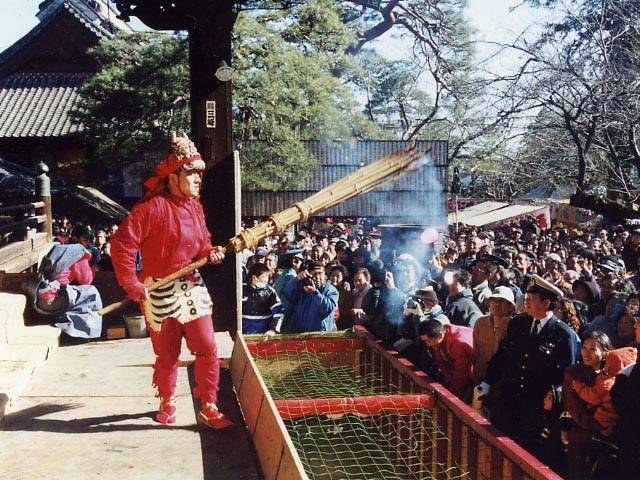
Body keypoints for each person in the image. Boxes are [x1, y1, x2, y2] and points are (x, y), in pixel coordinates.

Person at [110, 133, 232, 429]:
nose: (197, 179)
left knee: (207, 347)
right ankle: (167, 401)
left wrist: (210, 253)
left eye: (198, 174)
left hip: (190, 286)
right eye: (191, 173)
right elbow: (122, 245)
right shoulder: (151, 208)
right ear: (173, 176)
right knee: (167, 355)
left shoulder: (195, 206)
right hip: (158, 289)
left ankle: (209, 405)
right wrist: (132, 284)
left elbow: (202, 243)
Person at [482, 274, 577, 456]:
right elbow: (502, 355)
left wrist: (554, 402)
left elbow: (567, 379)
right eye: (526, 297)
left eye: (532, 298)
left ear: (547, 303)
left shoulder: (563, 335)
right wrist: (487, 382)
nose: (526, 301)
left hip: (537, 413)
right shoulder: (519, 323)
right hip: (509, 403)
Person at [562, 331, 613, 480]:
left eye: (592, 348)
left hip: (605, 441)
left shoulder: (610, 375)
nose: (586, 352)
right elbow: (575, 409)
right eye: (584, 347)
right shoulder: (573, 373)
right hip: (580, 436)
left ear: (604, 352)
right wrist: (600, 427)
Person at [34, 243, 103, 339]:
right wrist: (92, 268)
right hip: (53, 300)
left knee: (73, 293)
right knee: (91, 292)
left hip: (39, 297)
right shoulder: (81, 255)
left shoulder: (62, 250)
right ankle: (79, 332)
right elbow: (86, 281)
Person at [571, 347, 636, 436]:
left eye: (608, 363)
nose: (605, 365)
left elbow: (592, 396)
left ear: (615, 364)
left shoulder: (608, 382)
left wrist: (579, 386)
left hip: (602, 419)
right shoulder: (628, 380)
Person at [418, 318, 474, 399]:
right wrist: (447, 386)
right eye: (425, 341)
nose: (427, 345)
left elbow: (461, 375)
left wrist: (450, 397)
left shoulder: (459, 344)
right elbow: (441, 363)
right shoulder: (438, 337)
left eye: (428, 341)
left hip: (477, 374)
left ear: (440, 335)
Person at [471, 286, 515, 383]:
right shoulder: (480, 323)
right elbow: (475, 352)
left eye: (501, 301)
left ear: (509, 306)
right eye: (494, 300)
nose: (496, 304)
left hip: (501, 384)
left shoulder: (513, 328)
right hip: (479, 379)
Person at [283, 260, 339, 332]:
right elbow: (287, 293)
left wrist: (315, 293)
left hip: (320, 335)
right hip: (300, 332)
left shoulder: (331, 290)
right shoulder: (303, 287)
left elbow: (327, 309)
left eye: (320, 273)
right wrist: (297, 279)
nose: (318, 277)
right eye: (315, 274)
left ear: (325, 275)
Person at [241, 262, 284, 338]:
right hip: (243, 333)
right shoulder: (241, 289)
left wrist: (273, 330)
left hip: (263, 334)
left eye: (267, 276)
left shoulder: (270, 291)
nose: (266, 280)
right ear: (254, 277)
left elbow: (279, 312)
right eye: (264, 277)